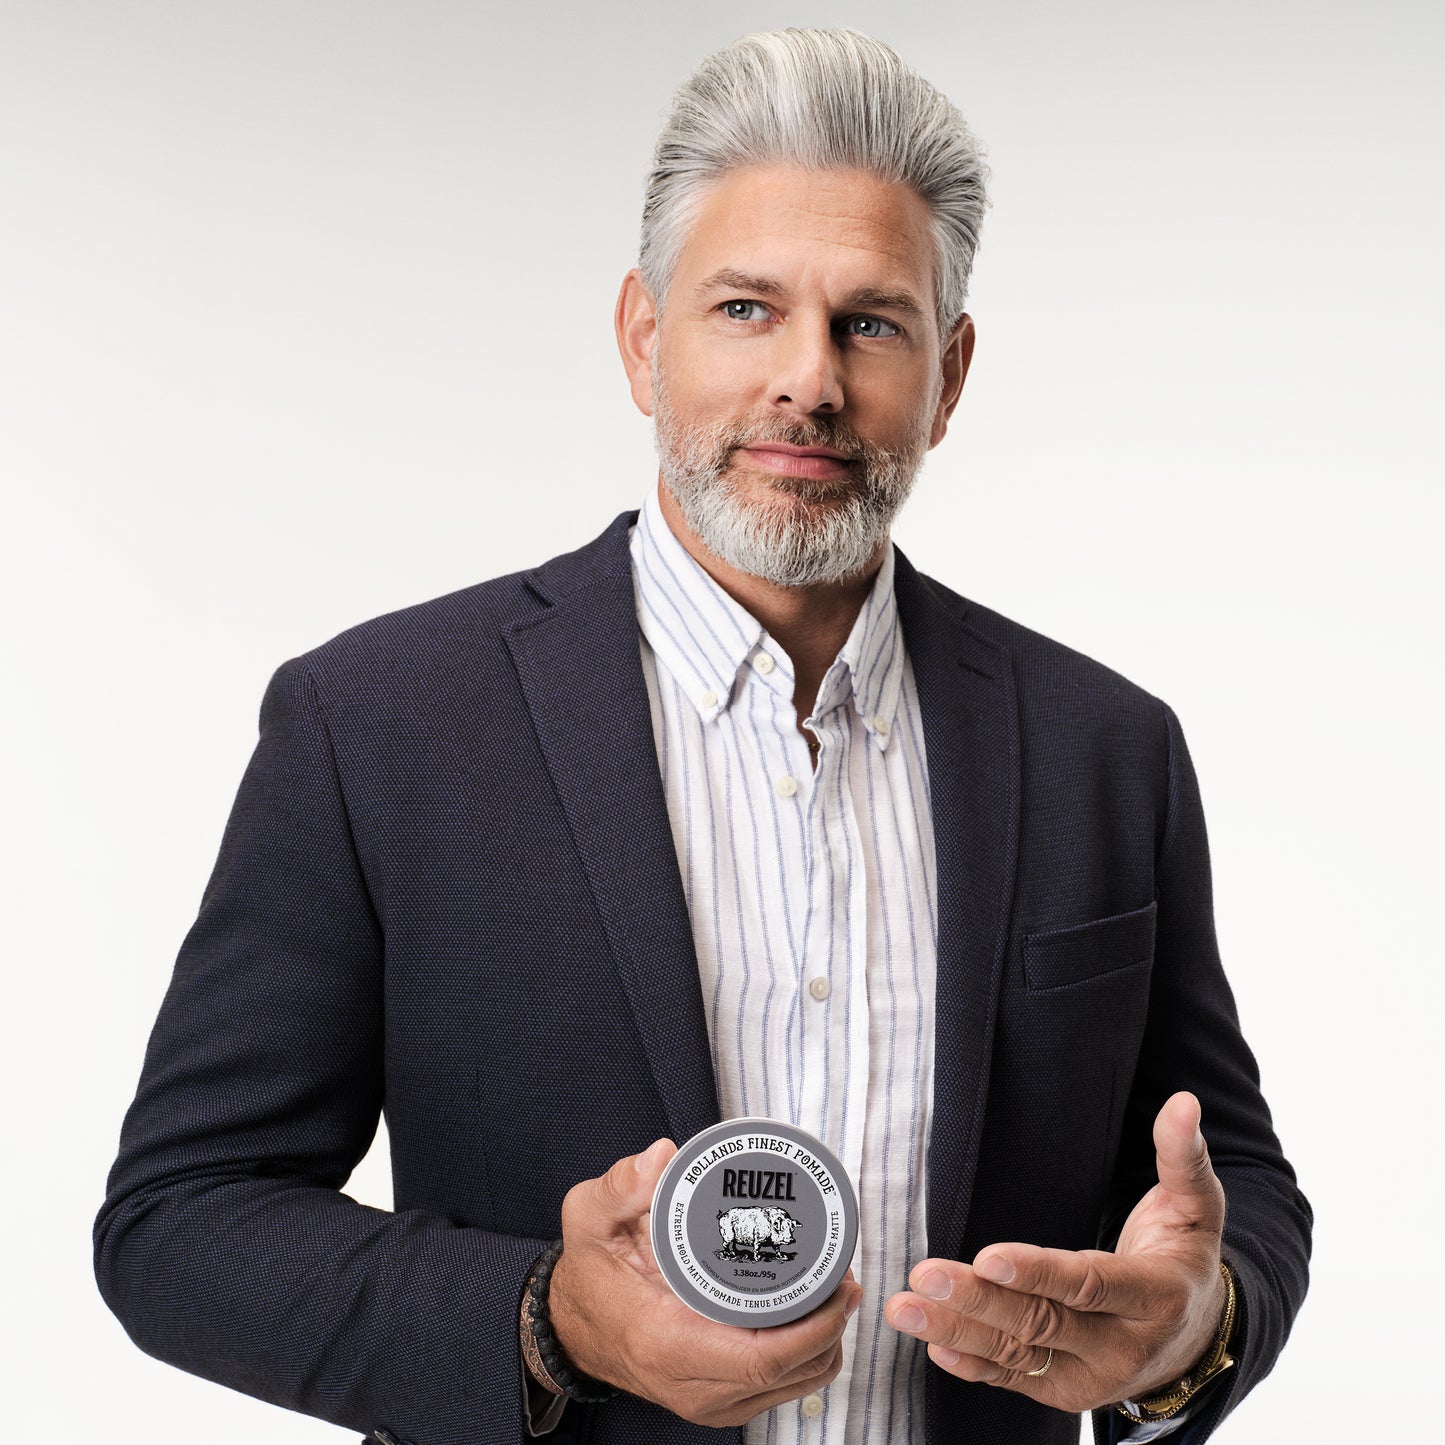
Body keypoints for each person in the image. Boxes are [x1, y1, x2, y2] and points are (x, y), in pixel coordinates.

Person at [95, 27, 1310, 1445]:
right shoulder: (378, 725)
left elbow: (1227, 1186)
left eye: (872, 321)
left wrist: (1193, 1325)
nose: (808, 379)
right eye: (744, 308)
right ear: (638, 336)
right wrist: (545, 1317)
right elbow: (180, 1222)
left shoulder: (1105, 746)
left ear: (949, 373)